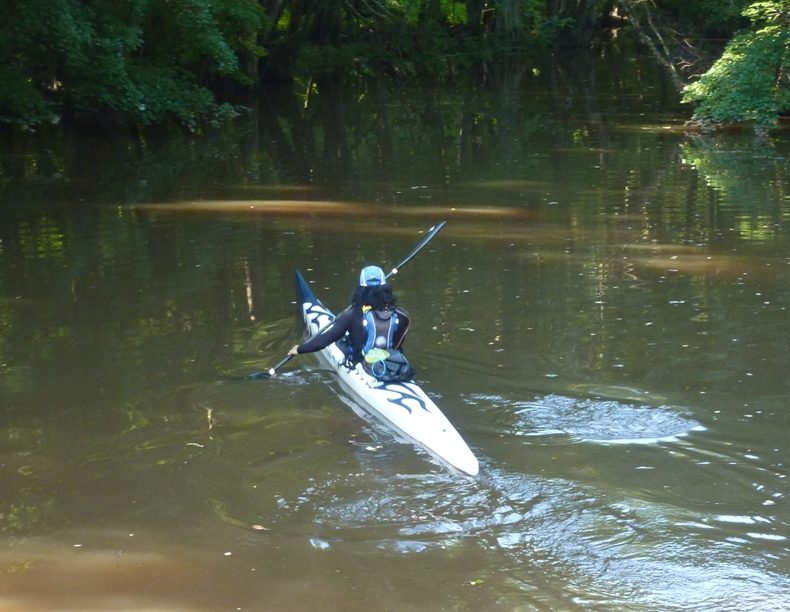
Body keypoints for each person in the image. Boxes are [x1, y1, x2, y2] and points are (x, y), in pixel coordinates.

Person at [288, 265, 410, 367]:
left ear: (360, 289)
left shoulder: (350, 315)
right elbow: (398, 344)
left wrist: (300, 349)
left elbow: (324, 341)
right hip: (393, 365)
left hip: (360, 366)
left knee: (342, 342)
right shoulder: (402, 315)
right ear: (386, 289)